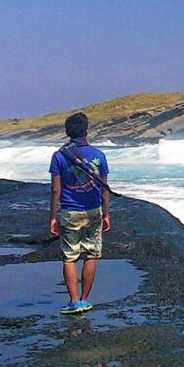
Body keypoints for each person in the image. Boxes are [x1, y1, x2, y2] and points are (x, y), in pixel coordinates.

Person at [49, 112, 111, 315]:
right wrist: (106, 214)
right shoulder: (99, 155)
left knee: (70, 257)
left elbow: (56, 190)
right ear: (86, 131)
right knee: (91, 254)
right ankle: (86, 299)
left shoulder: (59, 156)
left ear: (67, 132)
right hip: (93, 210)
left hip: (69, 210)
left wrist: (53, 216)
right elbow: (104, 189)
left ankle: (74, 301)